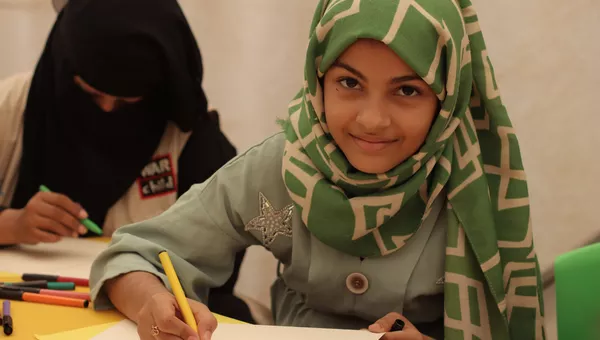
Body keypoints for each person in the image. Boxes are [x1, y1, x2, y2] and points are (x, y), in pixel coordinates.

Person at [89, 0, 545, 339]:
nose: (372, 120)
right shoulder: (284, 164)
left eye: (407, 91)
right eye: (349, 83)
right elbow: (137, 252)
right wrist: (152, 301)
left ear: (446, 98)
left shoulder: (475, 188)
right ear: (317, 79)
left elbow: (510, 323)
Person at [0, 0, 253, 323]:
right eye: (89, 94)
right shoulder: (12, 108)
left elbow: (214, 271)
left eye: (126, 100)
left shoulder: (191, 139)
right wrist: (12, 223)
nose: (105, 110)